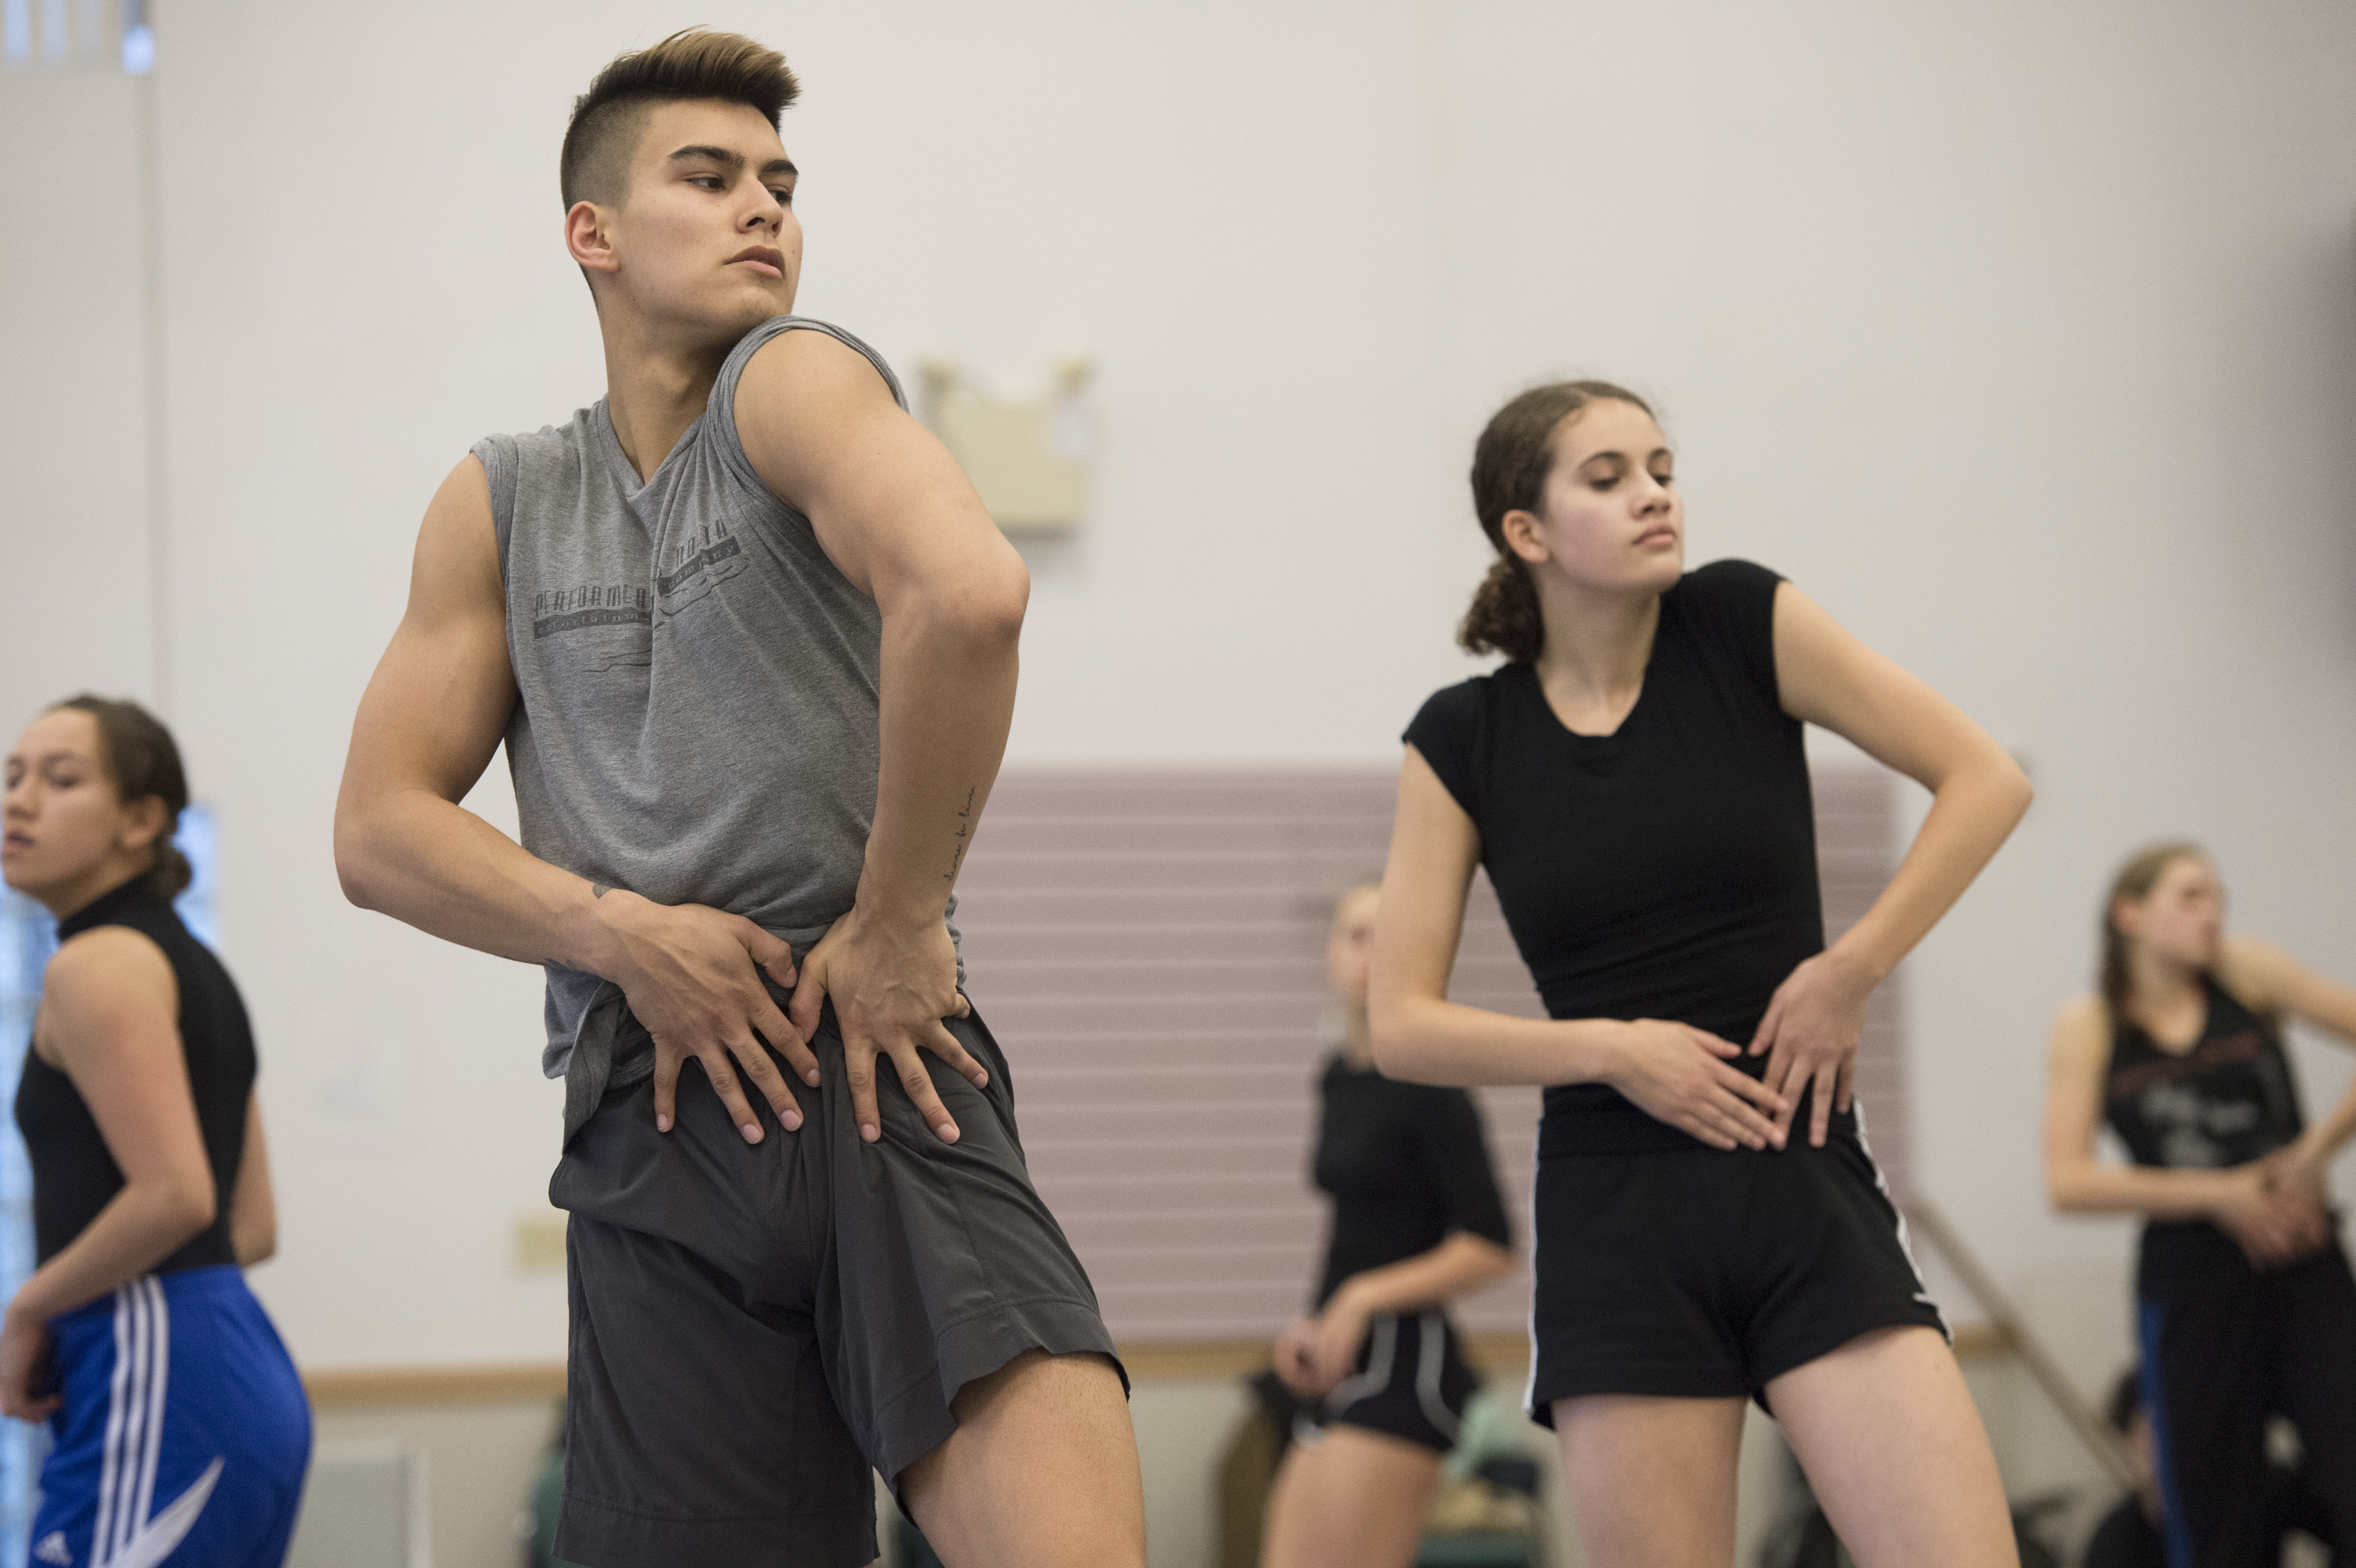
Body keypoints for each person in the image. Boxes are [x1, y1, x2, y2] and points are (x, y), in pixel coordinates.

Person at [330, 29, 1143, 1568]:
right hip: (652, 1103)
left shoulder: (791, 379)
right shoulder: (502, 498)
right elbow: (376, 830)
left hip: (869, 1052)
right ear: (595, 233)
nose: (763, 206)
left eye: (779, 180)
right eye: (707, 179)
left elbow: (966, 593)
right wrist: (624, 933)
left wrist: (901, 917)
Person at [1369, 380, 2035, 1568]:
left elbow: (1986, 777)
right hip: (1616, 1216)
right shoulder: (1463, 736)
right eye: (1610, 475)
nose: (1654, 495)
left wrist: (1850, 968)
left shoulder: (1743, 620)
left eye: (1663, 467)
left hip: (1799, 1177)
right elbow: (1402, 1026)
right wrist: (1611, 1047)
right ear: (1526, 531)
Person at [0, 696, 310, 1568]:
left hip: (153, 1364)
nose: (19, 801)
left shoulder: (92, 964)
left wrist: (30, 1306)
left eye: (60, 780)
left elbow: (176, 1197)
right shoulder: (197, 968)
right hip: (231, 1363)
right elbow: (249, 1227)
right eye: (13, 776)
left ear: (143, 821)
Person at [2046, 843, 2356, 1567]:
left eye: (2217, 896)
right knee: (2218, 1516)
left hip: (2302, 1260)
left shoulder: (2248, 973)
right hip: (2192, 1284)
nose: (2212, 912)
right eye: (2190, 897)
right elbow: (2069, 1181)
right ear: (2130, 914)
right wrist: (2223, 1195)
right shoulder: (2090, 1022)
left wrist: (2314, 1154)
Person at [1261, 882, 1517, 1568]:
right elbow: (1357, 1227)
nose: (1372, 953)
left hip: (1409, 1365)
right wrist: (1317, 1323)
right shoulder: (1338, 1078)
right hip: (1341, 1363)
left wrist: (1362, 1298)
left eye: (1389, 935)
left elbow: (1491, 1246)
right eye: (1356, 935)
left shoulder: (1433, 1085)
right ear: (1329, 955)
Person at [2082, 1364, 2337, 1568]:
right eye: (2140, 1434)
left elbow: (2333, 1512)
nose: (2151, 1446)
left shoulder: (2256, 1493)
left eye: (2161, 1428)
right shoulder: (2115, 1542)